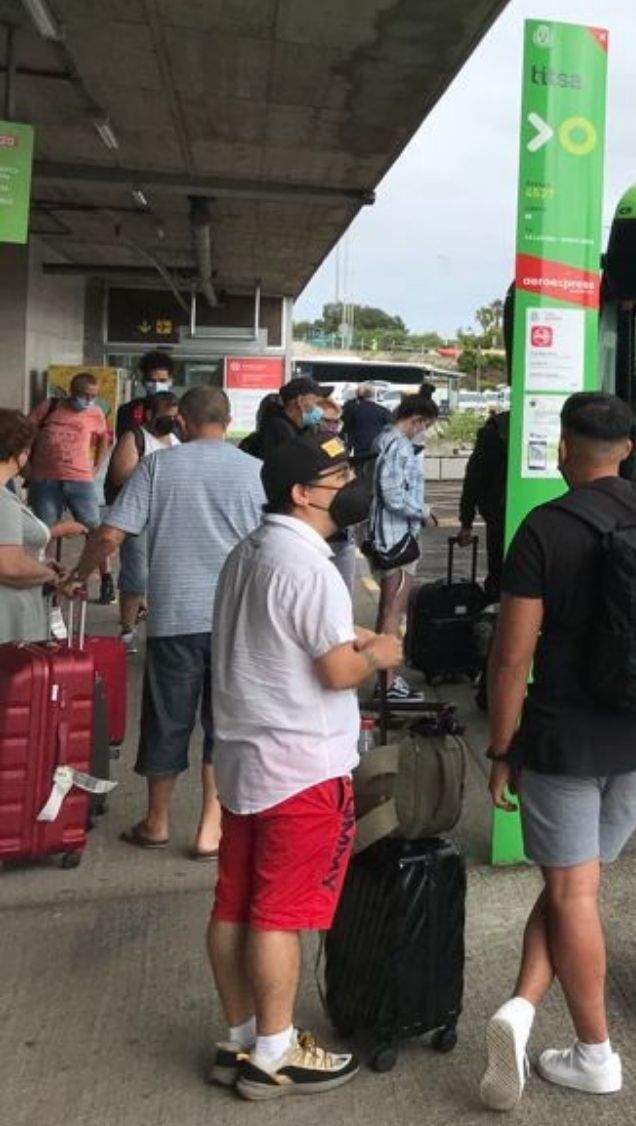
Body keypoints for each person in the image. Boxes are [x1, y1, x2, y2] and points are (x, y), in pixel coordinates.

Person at [478, 392, 636, 1111]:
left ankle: (595, 1054)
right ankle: (523, 1006)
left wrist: (502, 749)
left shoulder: (545, 529)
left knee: (572, 892)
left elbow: (510, 659)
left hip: (565, 743)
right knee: (574, 889)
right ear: (628, 448)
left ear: (564, 448)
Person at [205, 434, 403, 1101]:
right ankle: (275, 1052)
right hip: (302, 769)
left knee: (234, 902)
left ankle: (239, 1037)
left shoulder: (249, 551)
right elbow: (337, 670)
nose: (351, 486)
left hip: (245, 763)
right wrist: (380, 652)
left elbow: (285, 639)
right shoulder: (311, 567)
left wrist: (354, 639)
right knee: (279, 914)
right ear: (301, 493)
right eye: (338, 477)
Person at [66, 386, 262, 858]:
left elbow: (110, 535)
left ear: (183, 422)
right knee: (224, 724)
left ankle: (156, 822)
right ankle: (210, 829)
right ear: (227, 420)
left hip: (175, 617)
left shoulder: (158, 466)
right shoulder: (256, 471)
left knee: (167, 720)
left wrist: (77, 576)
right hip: (235, 621)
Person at [366, 395, 440, 701]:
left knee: (388, 609)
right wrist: (423, 512)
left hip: (384, 535)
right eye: (425, 426)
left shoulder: (383, 439)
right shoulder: (398, 446)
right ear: (417, 419)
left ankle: (385, 678)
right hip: (396, 538)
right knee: (393, 611)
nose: (424, 432)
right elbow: (393, 496)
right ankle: (387, 682)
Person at [27, 370, 114, 602]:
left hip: (80, 479)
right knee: (45, 530)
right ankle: (44, 576)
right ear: (72, 392)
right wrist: (26, 466)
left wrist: (96, 466)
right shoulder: (50, 406)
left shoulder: (95, 412)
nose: (89, 400)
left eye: (94, 396)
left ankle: (105, 578)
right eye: (85, 395)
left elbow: (105, 438)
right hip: (45, 479)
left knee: (95, 529)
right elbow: (27, 432)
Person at [0, 409, 84, 644]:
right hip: (9, 626)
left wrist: (39, 565)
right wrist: (52, 577)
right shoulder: (3, 501)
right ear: (22, 453)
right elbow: (9, 565)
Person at [106, 390, 181, 651]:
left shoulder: (175, 439)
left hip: (168, 516)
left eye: (175, 416)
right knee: (136, 574)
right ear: (149, 414)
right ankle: (127, 630)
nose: (171, 421)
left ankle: (159, 627)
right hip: (139, 517)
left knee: (164, 574)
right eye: (166, 416)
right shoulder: (135, 437)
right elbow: (119, 476)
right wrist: (152, 470)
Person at [455, 407, 510, 598]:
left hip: (497, 512)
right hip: (534, 511)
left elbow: (473, 479)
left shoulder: (493, 431)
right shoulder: (543, 424)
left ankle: (495, 603)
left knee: (498, 568)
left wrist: (466, 523)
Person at [315, 400, 363, 594]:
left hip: (341, 533)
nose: (334, 426)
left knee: (343, 592)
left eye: (337, 422)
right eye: (328, 421)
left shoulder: (339, 444)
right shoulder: (307, 448)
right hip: (319, 531)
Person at [248, 378, 328, 459]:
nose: (320, 408)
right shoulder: (280, 430)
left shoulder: (299, 429)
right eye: (316, 402)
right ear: (300, 400)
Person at [116, 350, 176, 442]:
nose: (157, 385)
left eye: (162, 381)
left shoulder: (180, 411)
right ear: (143, 381)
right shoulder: (128, 410)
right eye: (152, 381)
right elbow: (122, 441)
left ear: (170, 381)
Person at [339, 382, 391, 459]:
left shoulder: (352, 410)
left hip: (360, 450)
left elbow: (345, 429)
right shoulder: (384, 411)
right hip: (378, 450)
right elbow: (389, 430)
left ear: (357, 395)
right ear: (374, 395)